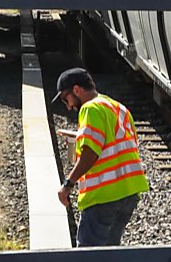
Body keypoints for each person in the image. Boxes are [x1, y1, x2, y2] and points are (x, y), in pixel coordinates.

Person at [51, 67, 149, 246]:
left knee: (90, 259)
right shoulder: (118, 107)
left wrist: (68, 184)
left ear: (77, 90)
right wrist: (79, 137)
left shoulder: (90, 108)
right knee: (109, 257)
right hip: (129, 193)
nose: (69, 106)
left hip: (104, 195)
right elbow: (120, 144)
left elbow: (91, 153)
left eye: (66, 99)